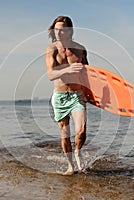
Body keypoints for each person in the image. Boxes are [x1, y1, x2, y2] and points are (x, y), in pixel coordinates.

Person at [46, 16, 88, 175]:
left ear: (69, 31)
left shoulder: (80, 49)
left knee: (81, 131)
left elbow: (89, 73)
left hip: (77, 94)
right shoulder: (52, 49)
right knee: (65, 135)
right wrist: (67, 70)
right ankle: (70, 165)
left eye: (62, 29)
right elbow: (51, 74)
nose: (58, 32)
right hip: (60, 96)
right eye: (56, 29)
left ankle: (78, 151)